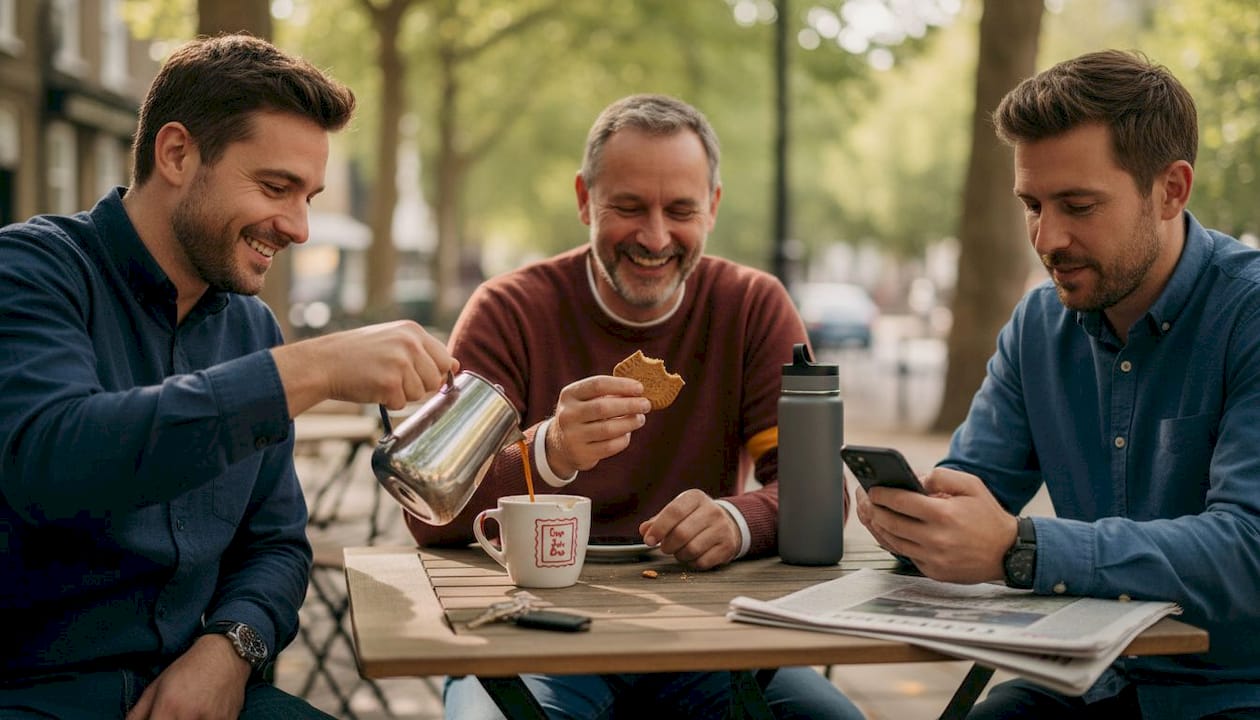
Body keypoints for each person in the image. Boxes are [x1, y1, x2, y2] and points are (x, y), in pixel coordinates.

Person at [0, 34, 455, 719]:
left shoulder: (250, 327)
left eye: (309, 196)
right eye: (276, 188)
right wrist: (316, 366)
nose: (299, 227)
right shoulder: (31, 272)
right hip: (40, 694)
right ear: (177, 153)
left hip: (217, 693)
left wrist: (231, 648)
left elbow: (276, 544)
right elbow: (54, 455)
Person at [405, 94, 862, 719]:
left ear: (714, 207)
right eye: (627, 207)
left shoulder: (752, 306)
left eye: (681, 210)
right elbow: (432, 512)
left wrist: (735, 522)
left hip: (706, 635)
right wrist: (551, 452)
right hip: (536, 630)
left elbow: (820, 492)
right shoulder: (508, 311)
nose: (654, 236)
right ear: (584, 199)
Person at [856, 50, 1260, 719]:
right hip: (1095, 678)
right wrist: (919, 519)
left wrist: (1019, 548)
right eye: (1032, 205)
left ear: (1172, 189)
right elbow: (973, 484)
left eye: (1078, 205)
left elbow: (1248, 550)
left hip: (1235, 690)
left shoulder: (1246, 315)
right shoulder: (1041, 324)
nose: (1047, 238)